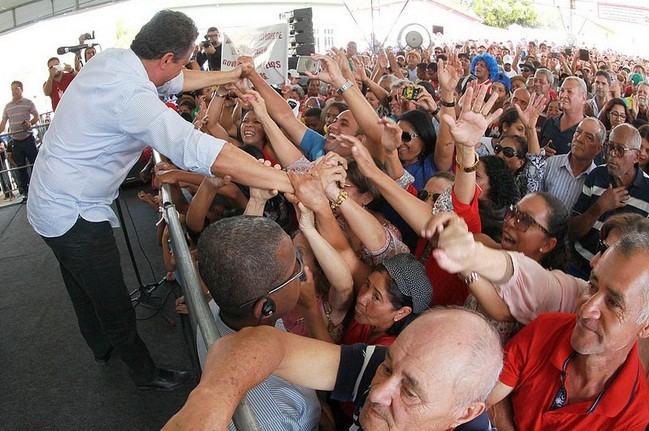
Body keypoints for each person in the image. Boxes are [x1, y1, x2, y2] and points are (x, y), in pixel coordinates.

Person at [26, 10, 293, 391]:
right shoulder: (133, 97)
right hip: (72, 214)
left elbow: (178, 79)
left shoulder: (116, 59)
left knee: (79, 285)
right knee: (110, 298)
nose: (184, 70)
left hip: (51, 196)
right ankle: (143, 371)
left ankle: (101, 346)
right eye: (183, 60)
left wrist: (231, 74)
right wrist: (291, 181)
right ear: (166, 58)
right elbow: (201, 149)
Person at [162, 307, 503, 431]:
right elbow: (266, 344)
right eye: (387, 367)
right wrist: (210, 403)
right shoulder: (401, 365)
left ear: (465, 412)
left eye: (410, 392)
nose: (379, 393)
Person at [488, 233, 649, 430]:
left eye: (613, 303)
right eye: (592, 286)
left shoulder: (633, 415)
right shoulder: (546, 329)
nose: (586, 309)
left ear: (646, 326)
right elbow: (488, 396)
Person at [195, 216, 320, 431]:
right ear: (265, 308)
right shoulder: (276, 418)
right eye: (296, 267)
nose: (303, 270)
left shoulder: (215, 309)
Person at [568, 123, 649, 278]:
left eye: (620, 150)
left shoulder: (647, 191)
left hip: (613, 276)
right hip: (577, 264)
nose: (612, 154)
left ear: (637, 156)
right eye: (609, 147)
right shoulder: (597, 175)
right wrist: (599, 207)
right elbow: (573, 231)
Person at [540, 117, 605, 212]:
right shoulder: (551, 163)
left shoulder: (596, 180)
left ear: (598, 149)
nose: (579, 139)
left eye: (589, 137)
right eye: (578, 132)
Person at [0, 81, 39, 201]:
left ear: (21, 89)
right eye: (12, 90)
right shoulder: (7, 106)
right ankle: (26, 193)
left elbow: (36, 117)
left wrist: (30, 123)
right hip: (16, 142)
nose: (14, 92)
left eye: (16, 89)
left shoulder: (28, 103)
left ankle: (38, 190)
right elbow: (3, 124)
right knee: (20, 168)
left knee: (35, 165)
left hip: (28, 139)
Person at [540, 77, 587, 156]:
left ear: (583, 98)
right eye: (561, 90)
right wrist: (542, 152)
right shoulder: (550, 123)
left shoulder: (589, 130)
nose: (563, 95)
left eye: (569, 91)